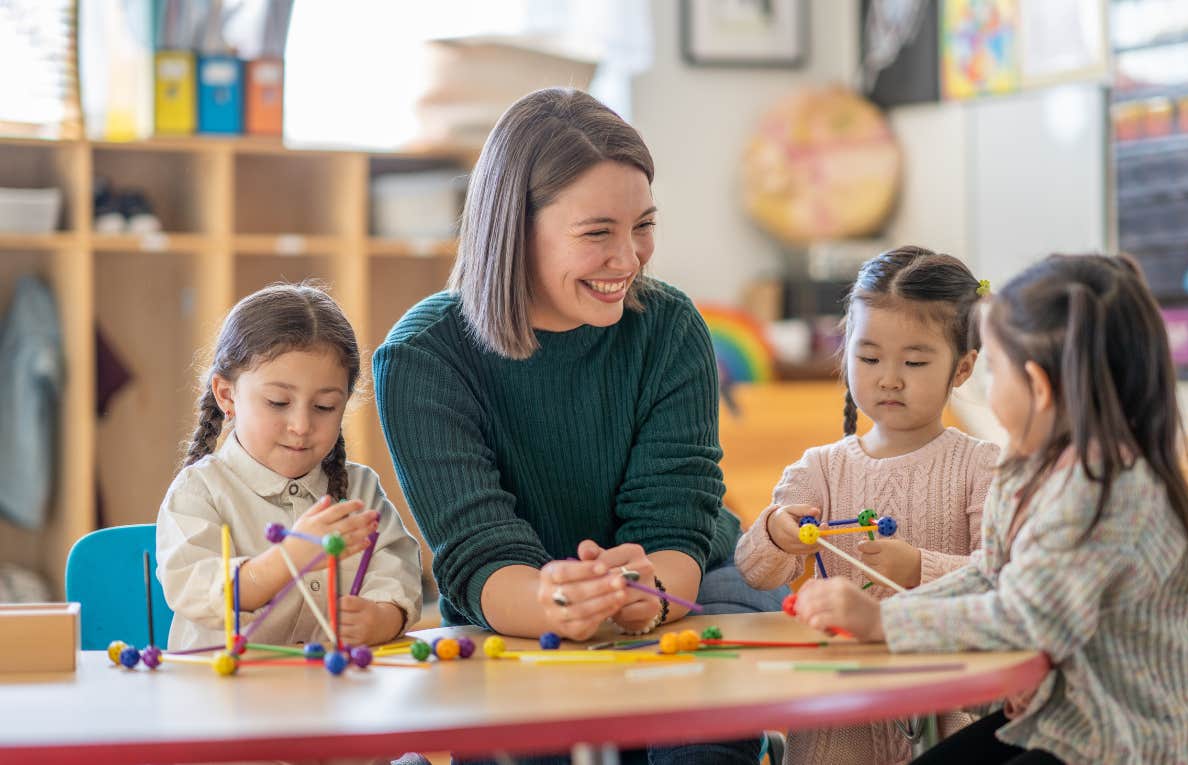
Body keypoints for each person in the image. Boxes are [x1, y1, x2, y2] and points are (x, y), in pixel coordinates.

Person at [373, 88, 782, 764]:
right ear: (514, 227)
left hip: (689, 591)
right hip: (518, 621)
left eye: (643, 225)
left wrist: (644, 595)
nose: (629, 258)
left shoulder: (670, 327)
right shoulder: (424, 357)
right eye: (598, 233)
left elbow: (677, 527)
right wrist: (557, 603)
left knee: (698, 746)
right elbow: (479, 555)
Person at [793, 254, 1188, 765]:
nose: (986, 387)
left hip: (1124, 744)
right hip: (1059, 721)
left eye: (994, 369)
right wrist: (883, 614)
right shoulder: (1030, 467)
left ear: (1037, 386)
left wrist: (886, 626)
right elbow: (992, 576)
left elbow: (1028, 621)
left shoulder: (1109, 489)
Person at [736, 246, 999, 764]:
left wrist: (919, 566)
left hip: (946, 720)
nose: (889, 378)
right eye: (869, 357)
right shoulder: (820, 469)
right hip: (838, 725)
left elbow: (1004, 577)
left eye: (916, 361)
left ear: (963, 367)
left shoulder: (981, 466)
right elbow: (754, 572)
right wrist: (777, 533)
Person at [157, 284, 422, 653]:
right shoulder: (199, 490)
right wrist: (290, 556)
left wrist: (381, 617)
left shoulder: (360, 490)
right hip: (222, 697)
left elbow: (398, 572)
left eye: (325, 407)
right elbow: (195, 588)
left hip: (330, 694)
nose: (301, 425)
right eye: (278, 402)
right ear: (226, 395)